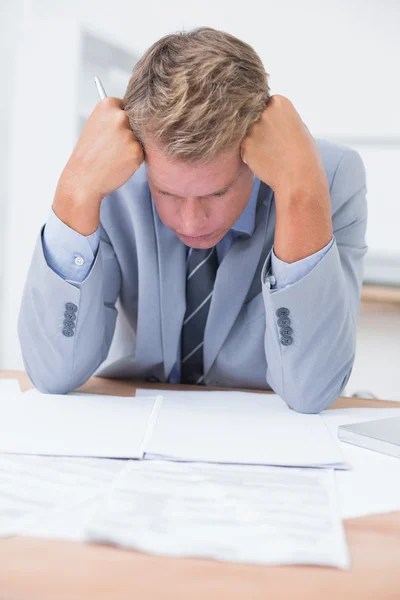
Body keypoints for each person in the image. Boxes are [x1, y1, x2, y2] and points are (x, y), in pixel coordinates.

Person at [18, 27, 367, 413]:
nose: (192, 221)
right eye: (167, 192)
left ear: (256, 153)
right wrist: (75, 190)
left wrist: (300, 194)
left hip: (256, 433)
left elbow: (312, 391)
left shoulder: (327, 179)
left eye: (217, 192)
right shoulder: (112, 173)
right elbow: (51, 372)